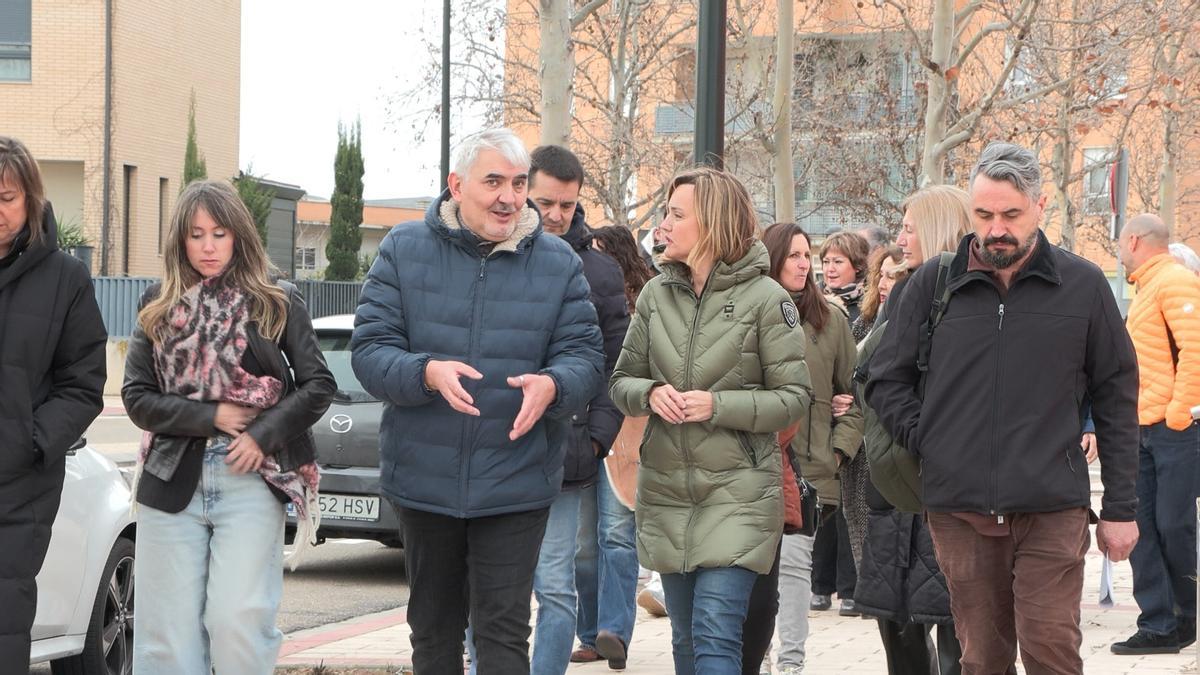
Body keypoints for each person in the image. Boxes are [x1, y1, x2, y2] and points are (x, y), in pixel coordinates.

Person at [867, 142, 1140, 674]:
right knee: (984, 659)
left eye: (1011, 215)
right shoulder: (932, 284)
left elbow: (1117, 393)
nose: (996, 229)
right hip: (960, 511)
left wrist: (1122, 509)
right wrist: (930, 440)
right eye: (984, 215)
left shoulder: (1082, 285)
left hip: (1052, 506)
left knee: (1050, 651)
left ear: (1040, 208)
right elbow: (884, 379)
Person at [350, 128, 604, 675]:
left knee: (503, 634)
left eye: (517, 183)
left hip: (516, 479)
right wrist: (426, 373)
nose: (508, 197)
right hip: (425, 480)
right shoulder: (403, 248)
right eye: (493, 182)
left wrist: (554, 384)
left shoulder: (559, 263)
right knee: (434, 634)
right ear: (457, 185)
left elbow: (586, 356)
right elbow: (370, 350)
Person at [123, 179, 336, 673]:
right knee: (167, 640)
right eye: (196, 235)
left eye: (219, 233)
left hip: (252, 477)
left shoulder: (275, 300)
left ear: (238, 236)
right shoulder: (158, 304)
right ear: (181, 240)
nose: (208, 246)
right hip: (172, 476)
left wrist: (263, 434)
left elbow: (318, 385)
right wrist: (211, 416)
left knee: (237, 621)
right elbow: (136, 398)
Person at [609, 167, 811, 674]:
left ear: (713, 223)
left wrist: (717, 405)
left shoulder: (768, 300)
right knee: (684, 642)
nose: (663, 225)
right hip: (667, 493)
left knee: (715, 637)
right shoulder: (655, 296)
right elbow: (620, 383)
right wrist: (652, 394)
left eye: (676, 215)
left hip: (738, 494)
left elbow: (794, 398)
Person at [520, 145, 631, 674]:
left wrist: (597, 438)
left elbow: (617, 363)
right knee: (492, 586)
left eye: (567, 204)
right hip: (495, 448)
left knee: (559, 584)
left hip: (568, 452)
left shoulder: (600, 271)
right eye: (546, 202)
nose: (557, 215)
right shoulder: (489, 254)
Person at [854, 186, 972, 674]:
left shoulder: (962, 292)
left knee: (957, 634)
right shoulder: (902, 288)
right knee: (899, 629)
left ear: (937, 226)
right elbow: (883, 376)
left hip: (940, 483)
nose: (899, 236)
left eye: (909, 226)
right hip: (896, 487)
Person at [0, 136, 107, 671]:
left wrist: (31, 441)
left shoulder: (66, 280)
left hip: (18, 486)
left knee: (4, 620)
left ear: (29, 200)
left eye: (6, 197)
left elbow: (84, 381)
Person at [744, 222, 863, 675]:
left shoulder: (830, 321)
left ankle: (791, 663)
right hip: (750, 467)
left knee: (793, 570)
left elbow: (857, 395)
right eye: (792, 254)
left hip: (809, 470)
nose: (803, 263)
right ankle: (754, 659)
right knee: (754, 577)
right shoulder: (746, 312)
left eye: (805, 254)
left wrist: (838, 451)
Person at [1111, 214, 1200, 654]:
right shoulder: (1148, 286)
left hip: (1171, 429)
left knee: (1174, 525)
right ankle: (1159, 625)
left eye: (1120, 243)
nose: (1118, 251)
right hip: (1143, 428)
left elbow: (1196, 350)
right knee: (1143, 527)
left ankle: (1186, 616)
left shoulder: (1175, 281)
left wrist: (1178, 414)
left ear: (1134, 239)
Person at [811, 229, 870, 615]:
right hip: (821, 416)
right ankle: (820, 584)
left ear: (857, 266)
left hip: (854, 417)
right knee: (823, 502)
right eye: (826, 261)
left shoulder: (865, 308)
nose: (829, 269)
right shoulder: (813, 304)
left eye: (838, 262)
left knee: (853, 503)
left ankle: (852, 588)